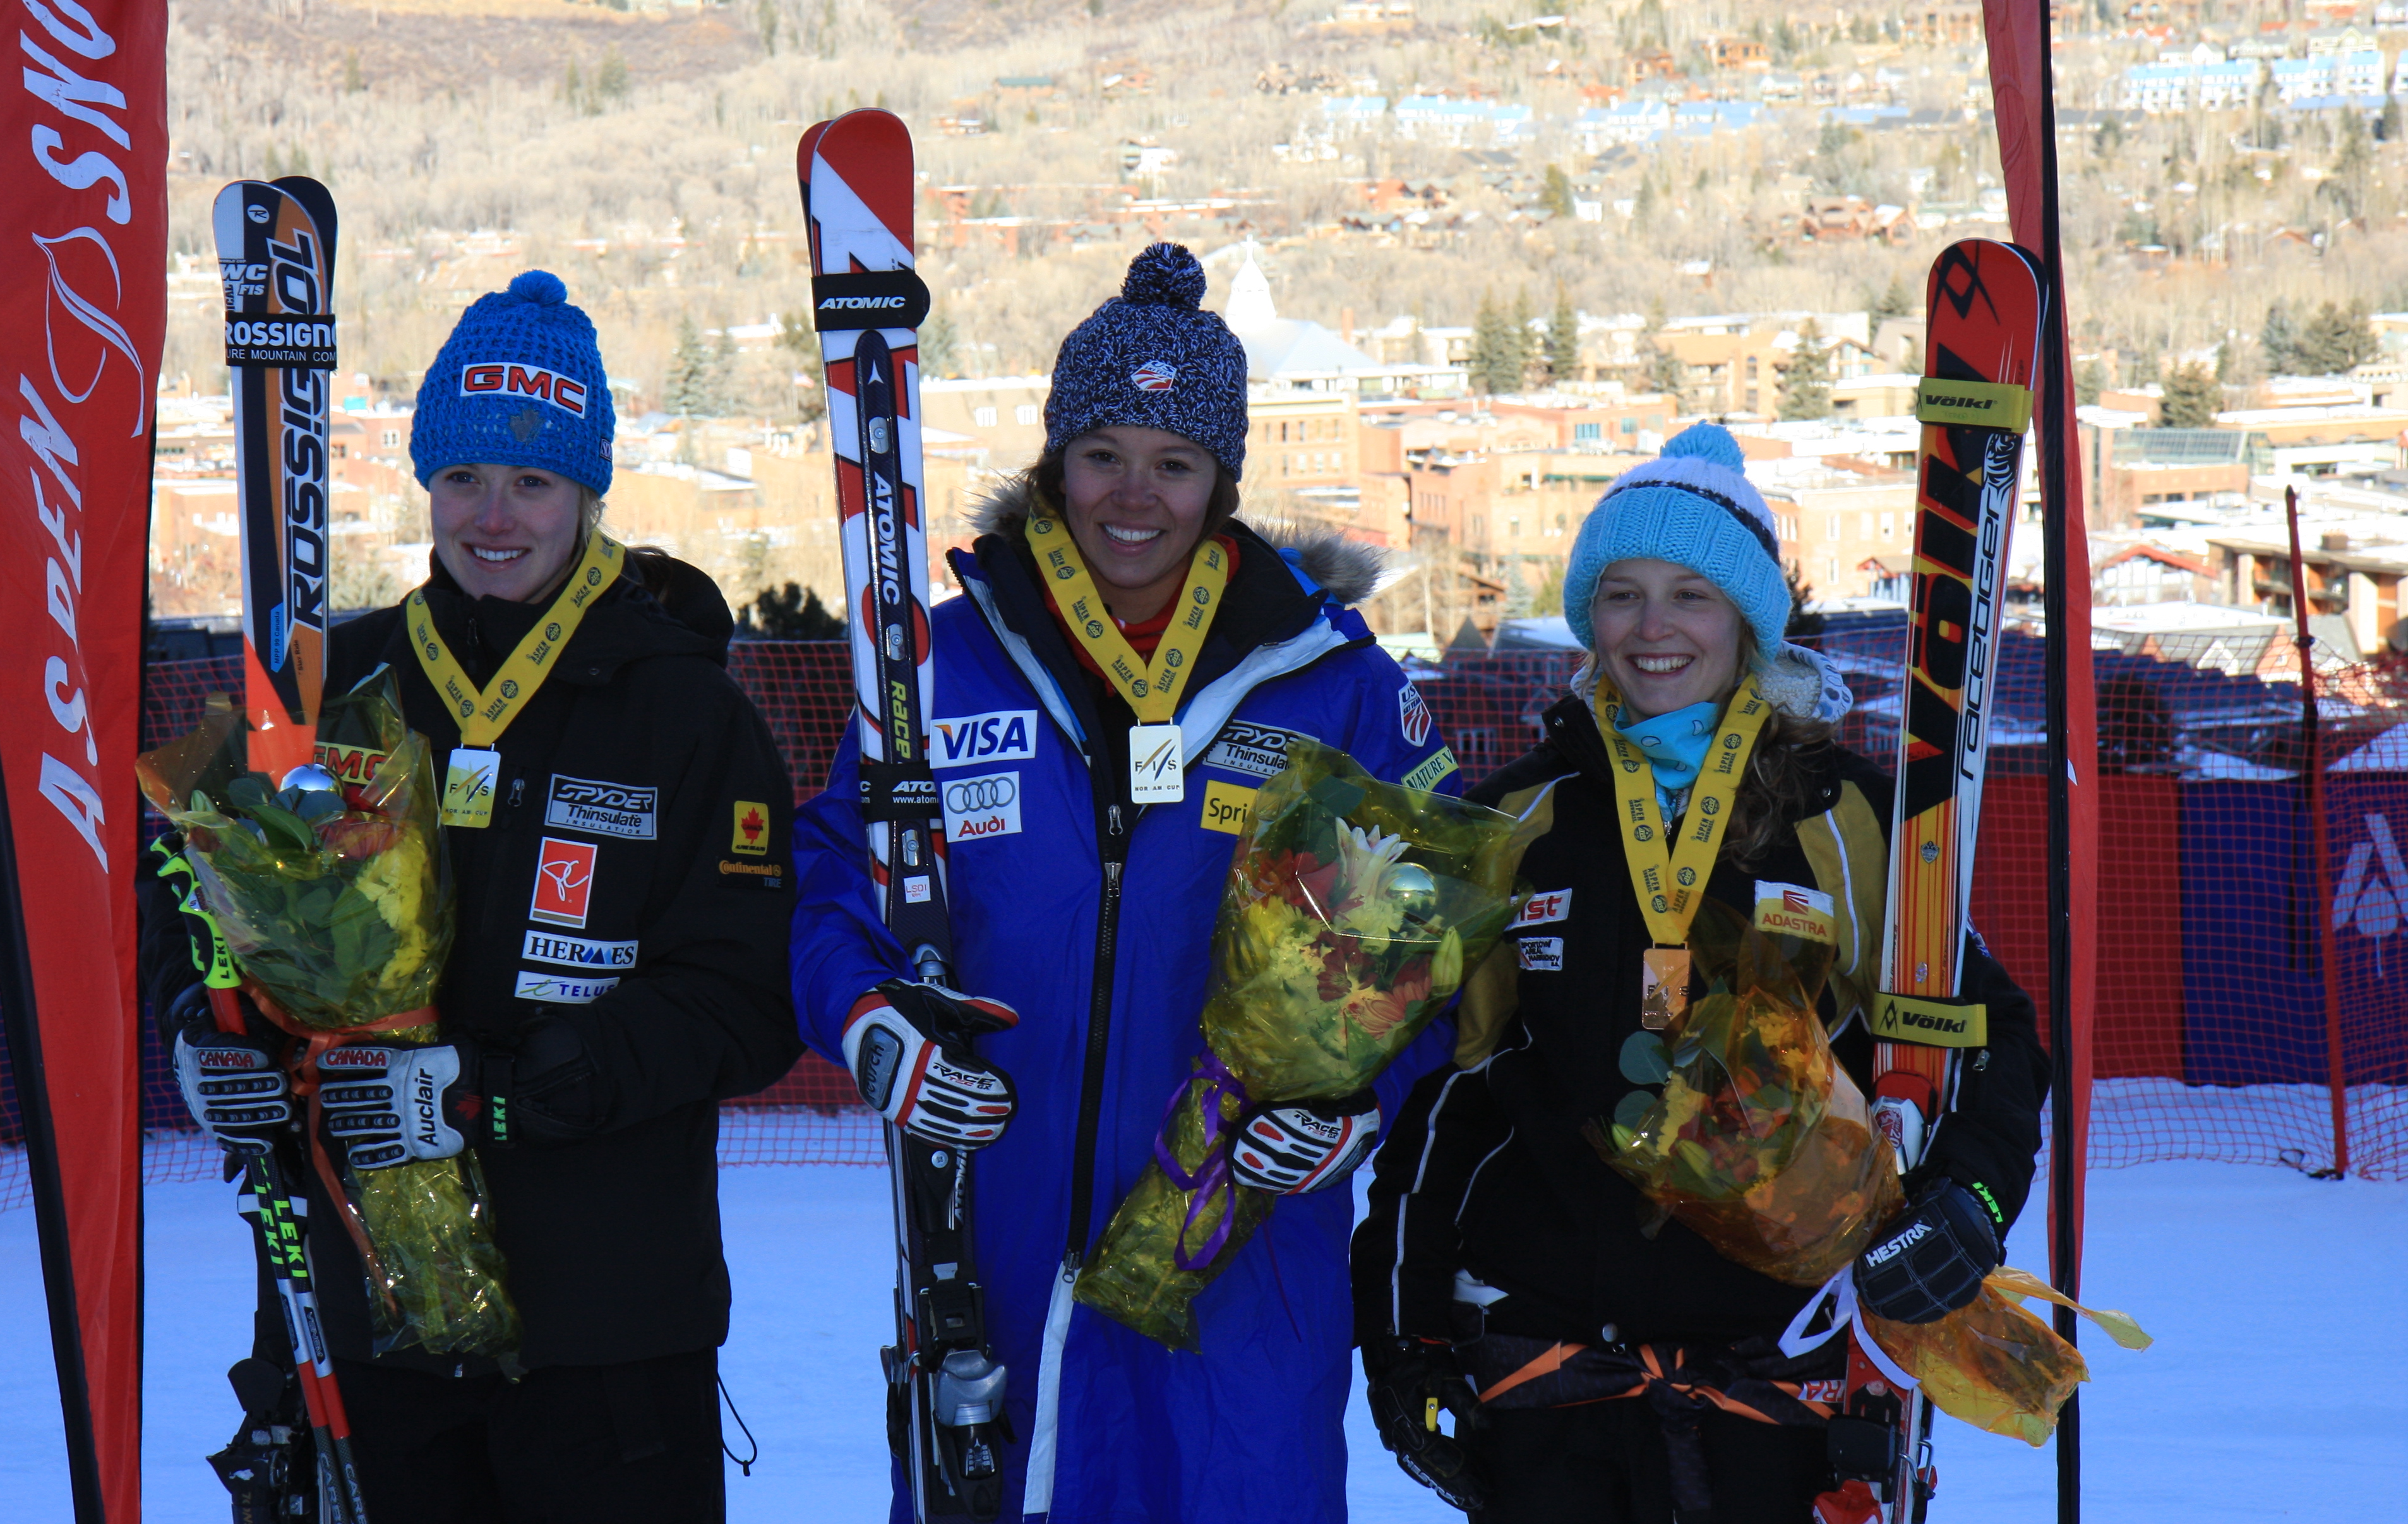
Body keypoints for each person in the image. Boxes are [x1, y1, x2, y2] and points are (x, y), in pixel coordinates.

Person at [791, 243, 1462, 1523]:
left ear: (1224, 482)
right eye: (1103, 453)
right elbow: (835, 873)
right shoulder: (941, 661)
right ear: (1055, 464)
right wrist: (869, 1018)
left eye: (1176, 463)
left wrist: (1364, 1106)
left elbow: (1437, 950)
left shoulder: (1336, 684)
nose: (1133, 496)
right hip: (987, 1233)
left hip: (1241, 1252)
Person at [152, 269, 802, 1521]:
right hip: (354, 1303)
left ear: (586, 491)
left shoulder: (687, 712)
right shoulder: (333, 684)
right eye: (462, 478)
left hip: (606, 1325)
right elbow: (185, 896)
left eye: (532, 481)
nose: (492, 515)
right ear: (425, 483)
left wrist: (494, 1096)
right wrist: (204, 1025)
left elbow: (744, 1000)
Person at [1350, 424, 2049, 1523]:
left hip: (1785, 1375)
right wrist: (1407, 1338)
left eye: (1692, 594)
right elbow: (1450, 1098)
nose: (1653, 628)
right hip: (1550, 1377)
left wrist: (1968, 1201)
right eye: (1621, 595)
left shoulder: (1851, 816)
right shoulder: (1516, 817)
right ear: (1588, 617)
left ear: (1750, 618)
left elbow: (1994, 1037)